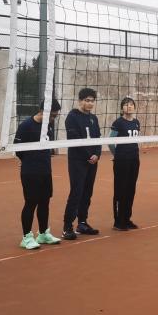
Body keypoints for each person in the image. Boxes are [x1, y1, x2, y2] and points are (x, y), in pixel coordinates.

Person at [14, 99, 64, 250]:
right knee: (31, 203)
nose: (53, 119)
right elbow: (18, 149)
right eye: (52, 115)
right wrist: (29, 161)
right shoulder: (26, 126)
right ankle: (26, 237)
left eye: (55, 116)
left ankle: (43, 233)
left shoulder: (48, 125)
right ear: (43, 111)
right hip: (30, 172)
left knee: (45, 202)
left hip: (45, 170)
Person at [62, 87, 102, 240]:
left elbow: (98, 139)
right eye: (87, 100)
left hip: (93, 161)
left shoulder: (94, 118)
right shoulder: (72, 117)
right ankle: (67, 226)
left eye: (92, 101)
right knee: (76, 192)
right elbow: (74, 140)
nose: (90, 103)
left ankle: (82, 223)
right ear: (80, 101)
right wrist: (89, 155)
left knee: (87, 192)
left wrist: (97, 154)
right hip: (78, 161)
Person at [110, 96, 141, 230]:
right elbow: (110, 141)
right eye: (126, 104)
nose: (129, 106)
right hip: (122, 160)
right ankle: (118, 221)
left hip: (134, 159)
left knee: (131, 189)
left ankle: (127, 218)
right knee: (120, 189)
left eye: (131, 104)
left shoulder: (136, 122)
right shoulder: (118, 122)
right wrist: (116, 155)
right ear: (122, 108)